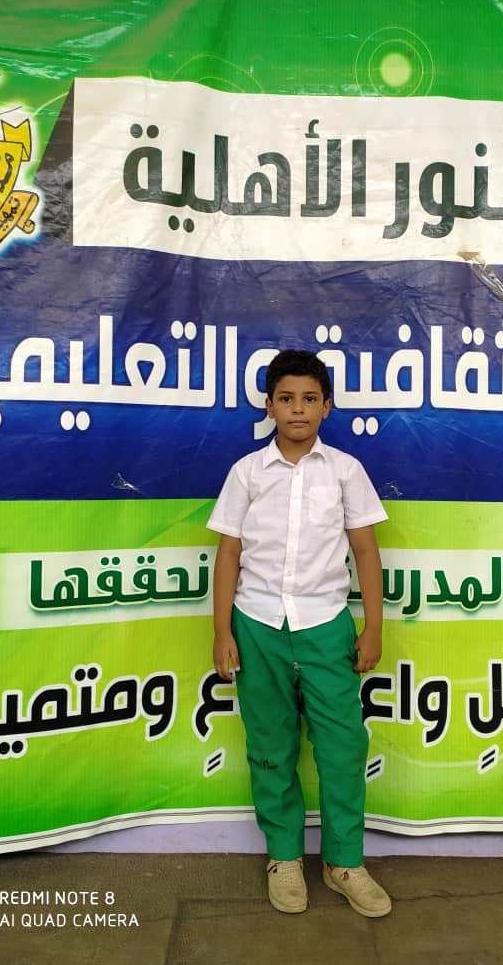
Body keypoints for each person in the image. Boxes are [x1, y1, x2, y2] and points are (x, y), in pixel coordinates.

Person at [207, 348, 392, 918]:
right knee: (270, 746)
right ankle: (284, 857)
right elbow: (228, 554)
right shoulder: (247, 472)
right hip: (257, 624)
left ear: (326, 407)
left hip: (326, 625)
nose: (298, 409)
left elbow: (366, 552)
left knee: (342, 747)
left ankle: (344, 863)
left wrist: (373, 627)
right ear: (269, 405)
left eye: (310, 399)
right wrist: (222, 632)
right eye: (286, 398)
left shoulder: (345, 471)